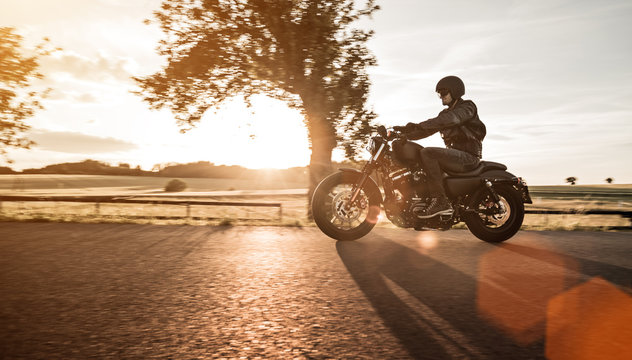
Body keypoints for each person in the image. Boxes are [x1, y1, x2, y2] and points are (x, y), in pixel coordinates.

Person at [393, 75, 486, 218]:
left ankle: (441, 201)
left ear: (455, 91)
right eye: (439, 94)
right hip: (454, 157)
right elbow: (428, 130)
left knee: (428, 153)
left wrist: (418, 125)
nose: (441, 96)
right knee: (419, 157)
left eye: (443, 92)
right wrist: (405, 132)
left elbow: (450, 119)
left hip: (468, 157)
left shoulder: (467, 107)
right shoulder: (444, 114)